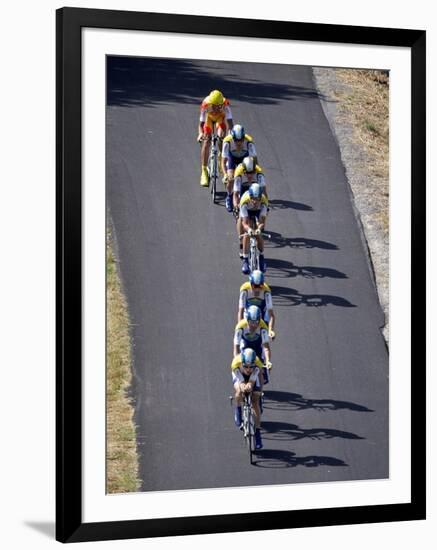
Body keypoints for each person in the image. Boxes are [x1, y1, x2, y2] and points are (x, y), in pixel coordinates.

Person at [197, 90, 233, 187]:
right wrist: (200, 134)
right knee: (206, 141)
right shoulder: (205, 105)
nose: (216, 109)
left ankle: (222, 157)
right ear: (210, 103)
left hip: (220, 118)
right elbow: (201, 124)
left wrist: (230, 134)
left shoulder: (226, 104)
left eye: (219, 106)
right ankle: (204, 171)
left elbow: (230, 123)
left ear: (222, 104)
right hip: (208, 119)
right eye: (214, 106)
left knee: (222, 136)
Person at [231, 348, 264, 449]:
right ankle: (238, 410)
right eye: (246, 366)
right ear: (242, 363)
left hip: (253, 377)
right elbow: (240, 382)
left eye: (251, 367)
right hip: (239, 375)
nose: (249, 369)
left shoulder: (258, 363)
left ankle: (258, 434)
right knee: (239, 391)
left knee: (255, 399)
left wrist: (259, 391)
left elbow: (255, 380)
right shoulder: (236, 363)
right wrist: (243, 385)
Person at [234, 305, 272, 390]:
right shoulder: (240, 327)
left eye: (256, 322)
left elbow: (266, 347)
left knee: (262, 368)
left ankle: (259, 390)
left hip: (257, 346)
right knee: (243, 366)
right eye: (251, 322)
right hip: (245, 346)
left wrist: (268, 361)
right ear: (247, 320)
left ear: (259, 320)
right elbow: (236, 347)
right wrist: (237, 360)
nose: (254, 325)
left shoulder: (263, 328)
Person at [221, 125, 257, 212]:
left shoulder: (249, 141)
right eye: (236, 140)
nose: (239, 142)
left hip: (244, 158)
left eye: (241, 140)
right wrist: (225, 174)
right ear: (233, 138)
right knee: (230, 178)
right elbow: (223, 161)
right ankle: (229, 197)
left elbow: (255, 161)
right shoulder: (227, 142)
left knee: (249, 176)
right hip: (232, 158)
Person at [239, 183, 269, 274]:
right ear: (250, 197)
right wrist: (248, 229)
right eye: (253, 198)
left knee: (258, 233)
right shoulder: (244, 201)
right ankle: (245, 260)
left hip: (258, 212)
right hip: (247, 211)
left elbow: (262, 222)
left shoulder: (264, 202)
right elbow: (244, 223)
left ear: (260, 197)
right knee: (247, 234)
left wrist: (259, 228)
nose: (255, 201)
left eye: (257, 199)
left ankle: (261, 257)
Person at [238, 270, 276, 340]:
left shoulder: (266, 291)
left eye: (260, 286)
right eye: (254, 286)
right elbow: (241, 310)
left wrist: (270, 330)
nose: (257, 289)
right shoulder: (244, 289)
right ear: (250, 283)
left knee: (264, 336)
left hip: (262, 314)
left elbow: (271, 315)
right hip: (248, 314)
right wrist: (240, 328)